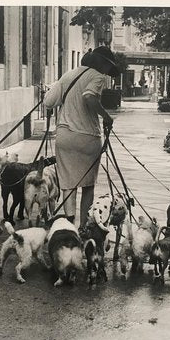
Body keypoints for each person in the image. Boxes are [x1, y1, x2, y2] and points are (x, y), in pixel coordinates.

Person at [43, 46, 120, 228]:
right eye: (109, 68)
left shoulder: (67, 75)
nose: (108, 73)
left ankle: (69, 223)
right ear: (103, 63)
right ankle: (83, 226)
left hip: (64, 136)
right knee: (87, 185)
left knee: (68, 183)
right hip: (87, 137)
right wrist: (107, 117)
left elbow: (48, 102)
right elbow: (89, 97)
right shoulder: (97, 76)